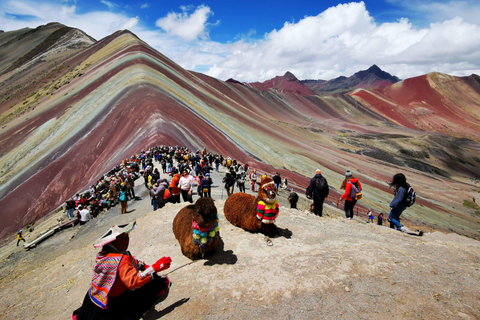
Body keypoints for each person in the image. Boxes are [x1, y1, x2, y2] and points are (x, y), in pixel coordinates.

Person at [72, 221, 172, 320]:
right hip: (114, 303)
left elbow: (133, 261)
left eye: (127, 236)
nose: (126, 240)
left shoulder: (104, 255)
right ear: (113, 242)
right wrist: (155, 268)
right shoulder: (121, 260)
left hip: (96, 297)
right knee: (156, 283)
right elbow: (133, 282)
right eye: (122, 239)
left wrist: (144, 266)